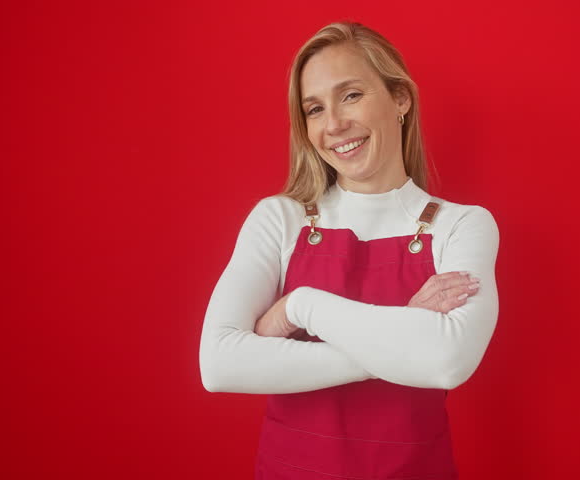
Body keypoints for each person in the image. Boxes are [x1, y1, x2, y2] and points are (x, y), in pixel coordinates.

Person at [199, 21, 500, 480]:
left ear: (400, 98)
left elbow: (445, 361)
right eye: (314, 108)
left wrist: (299, 308)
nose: (334, 124)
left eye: (351, 95)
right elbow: (219, 365)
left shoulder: (463, 225)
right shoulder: (280, 218)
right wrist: (403, 336)